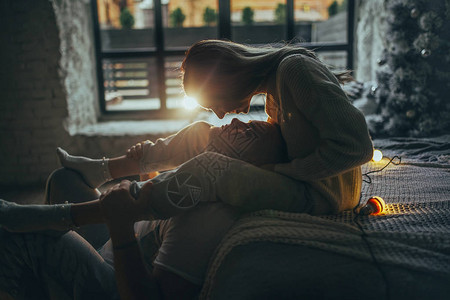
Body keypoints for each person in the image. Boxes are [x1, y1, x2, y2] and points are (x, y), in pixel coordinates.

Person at [0, 119, 287, 300]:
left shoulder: (209, 218)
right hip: (114, 241)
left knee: (30, 239)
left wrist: (121, 227)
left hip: (114, 279)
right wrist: (145, 170)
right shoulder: (201, 179)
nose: (237, 120)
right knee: (64, 179)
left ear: (247, 168)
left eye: (249, 133)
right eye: (250, 122)